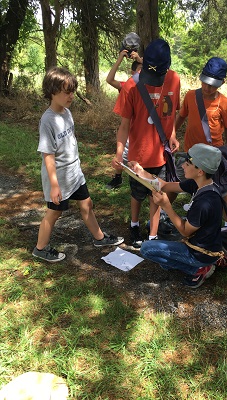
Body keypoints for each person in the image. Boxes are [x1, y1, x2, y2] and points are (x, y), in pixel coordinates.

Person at [32, 67, 124, 263]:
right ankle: (40, 248)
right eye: (66, 91)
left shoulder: (67, 112)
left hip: (74, 172)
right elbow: (48, 156)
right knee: (54, 212)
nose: (71, 95)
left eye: (72, 91)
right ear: (52, 91)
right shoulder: (47, 120)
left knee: (87, 204)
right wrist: (55, 185)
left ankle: (100, 238)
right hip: (59, 177)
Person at [130, 143, 227, 288]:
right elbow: (165, 185)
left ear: (200, 171)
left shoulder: (205, 202)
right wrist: (141, 172)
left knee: (147, 249)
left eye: (188, 163)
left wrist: (166, 206)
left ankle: (200, 268)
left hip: (199, 252)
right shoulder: (200, 184)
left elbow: (185, 230)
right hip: (200, 239)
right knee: (153, 226)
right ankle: (209, 260)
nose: (183, 166)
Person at [112, 38, 181, 248]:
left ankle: (152, 235)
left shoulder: (175, 80)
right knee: (138, 194)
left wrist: (173, 135)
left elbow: (171, 115)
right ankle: (134, 224)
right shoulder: (132, 86)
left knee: (157, 195)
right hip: (138, 155)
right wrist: (119, 153)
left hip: (163, 153)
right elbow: (124, 126)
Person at [175, 57, 227, 226]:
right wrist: (171, 135)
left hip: (212, 155)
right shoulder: (190, 96)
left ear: (222, 82)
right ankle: (165, 212)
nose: (207, 88)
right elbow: (181, 117)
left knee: (221, 191)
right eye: (205, 83)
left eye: (212, 84)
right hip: (191, 152)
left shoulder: (223, 102)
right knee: (180, 182)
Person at [106, 47, 143, 189]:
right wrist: (120, 58)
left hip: (143, 129)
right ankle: (118, 177)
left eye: (143, 68)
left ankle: (142, 180)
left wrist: (140, 59)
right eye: (139, 69)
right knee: (122, 154)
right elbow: (109, 79)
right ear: (132, 72)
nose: (141, 72)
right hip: (129, 129)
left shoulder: (150, 86)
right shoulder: (127, 86)